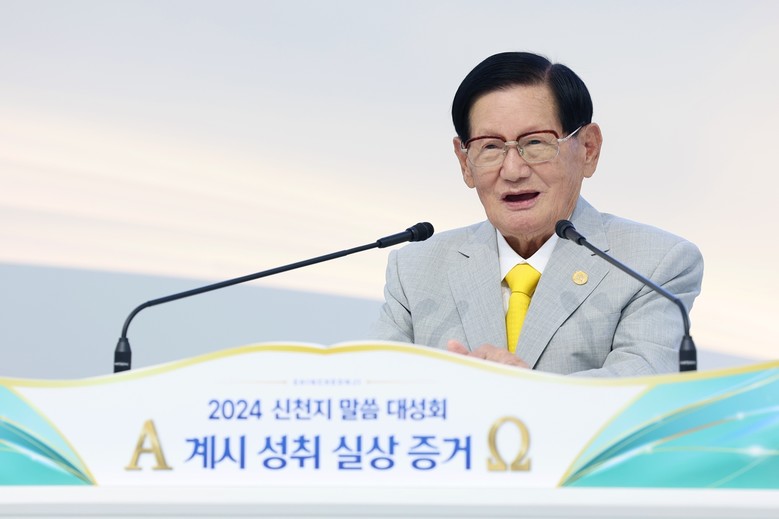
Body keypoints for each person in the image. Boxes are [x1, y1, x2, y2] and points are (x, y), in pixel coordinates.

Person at [370, 51, 703, 377]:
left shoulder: (653, 264)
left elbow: (638, 384)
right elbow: (378, 387)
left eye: (536, 143)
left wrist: (516, 391)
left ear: (588, 149)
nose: (513, 171)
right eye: (490, 146)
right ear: (465, 162)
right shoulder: (415, 270)